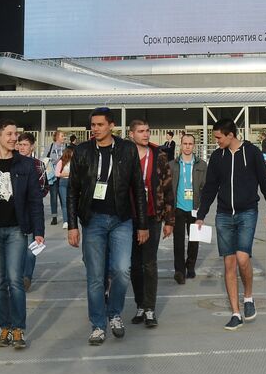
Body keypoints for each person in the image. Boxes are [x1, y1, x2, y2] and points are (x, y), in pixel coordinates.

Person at [67, 107, 146, 345]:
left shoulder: (126, 149)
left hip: (122, 219)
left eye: (100, 125)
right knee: (95, 276)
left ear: (111, 125)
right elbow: (72, 190)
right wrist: (72, 225)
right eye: (93, 125)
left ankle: (114, 313)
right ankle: (98, 325)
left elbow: (138, 191)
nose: (95, 129)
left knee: (122, 270)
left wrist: (142, 224)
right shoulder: (82, 151)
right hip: (93, 220)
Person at [195, 118, 266, 330]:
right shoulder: (217, 157)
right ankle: (235, 313)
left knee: (242, 259)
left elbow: (264, 182)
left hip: (247, 212)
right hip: (223, 215)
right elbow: (210, 188)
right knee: (229, 264)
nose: (216, 141)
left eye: (219, 137)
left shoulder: (251, 153)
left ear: (230, 135)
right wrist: (201, 214)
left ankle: (248, 298)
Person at [0, 120, 45, 350]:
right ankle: (5, 326)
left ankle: (18, 329)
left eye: (16, 133)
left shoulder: (25, 166)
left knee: (15, 280)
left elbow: (35, 200)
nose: (14, 138)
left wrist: (39, 231)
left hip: (16, 230)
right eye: (10, 134)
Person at [128, 119, 172, 328]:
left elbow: (167, 187)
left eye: (147, 131)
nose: (146, 135)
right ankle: (139, 304)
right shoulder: (124, 155)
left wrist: (169, 220)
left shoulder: (159, 155)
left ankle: (150, 308)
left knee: (149, 263)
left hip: (153, 216)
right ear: (131, 134)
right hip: (129, 218)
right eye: (141, 131)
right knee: (134, 265)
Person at [167, 133, 207, 283]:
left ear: (194, 146)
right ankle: (179, 270)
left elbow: (206, 187)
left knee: (194, 240)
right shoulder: (172, 165)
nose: (187, 146)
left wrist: (202, 208)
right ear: (181, 145)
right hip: (178, 207)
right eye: (185, 143)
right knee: (178, 241)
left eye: (190, 144)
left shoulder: (202, 165)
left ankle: (190, 266)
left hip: (194, 208)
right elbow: (168, 188)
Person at [16, 133, 49, 292]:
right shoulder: (12, 163)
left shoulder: (38, 165)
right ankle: (17, 275)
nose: (22, 148)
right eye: (20, 144)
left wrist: (31, 196)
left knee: (31, 246)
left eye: (25, 145)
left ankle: (26, 277)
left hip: (31, 210)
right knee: (17, 247)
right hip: (14, 211)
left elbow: (44, 188)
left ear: (32, 146)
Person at [46, 130, 67, 225]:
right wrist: (52, 161)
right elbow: (44, 158)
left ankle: (65, 217)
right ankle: (54, 216)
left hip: (63, 175)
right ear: (57, 137)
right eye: (62, 136)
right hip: (53, 175)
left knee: (64, 196)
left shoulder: (66, 147)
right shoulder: (50, 146)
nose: (64, 137)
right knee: (53, 196)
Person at [55, 146, 74, 228]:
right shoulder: (61, 162)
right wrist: (68, 174)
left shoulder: (74, 161)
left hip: (72, 183)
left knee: (72, 202)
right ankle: (66, 221)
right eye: (73, 152)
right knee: (64, 202)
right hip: (63, 183)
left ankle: (72, 220)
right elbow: (57, 173)